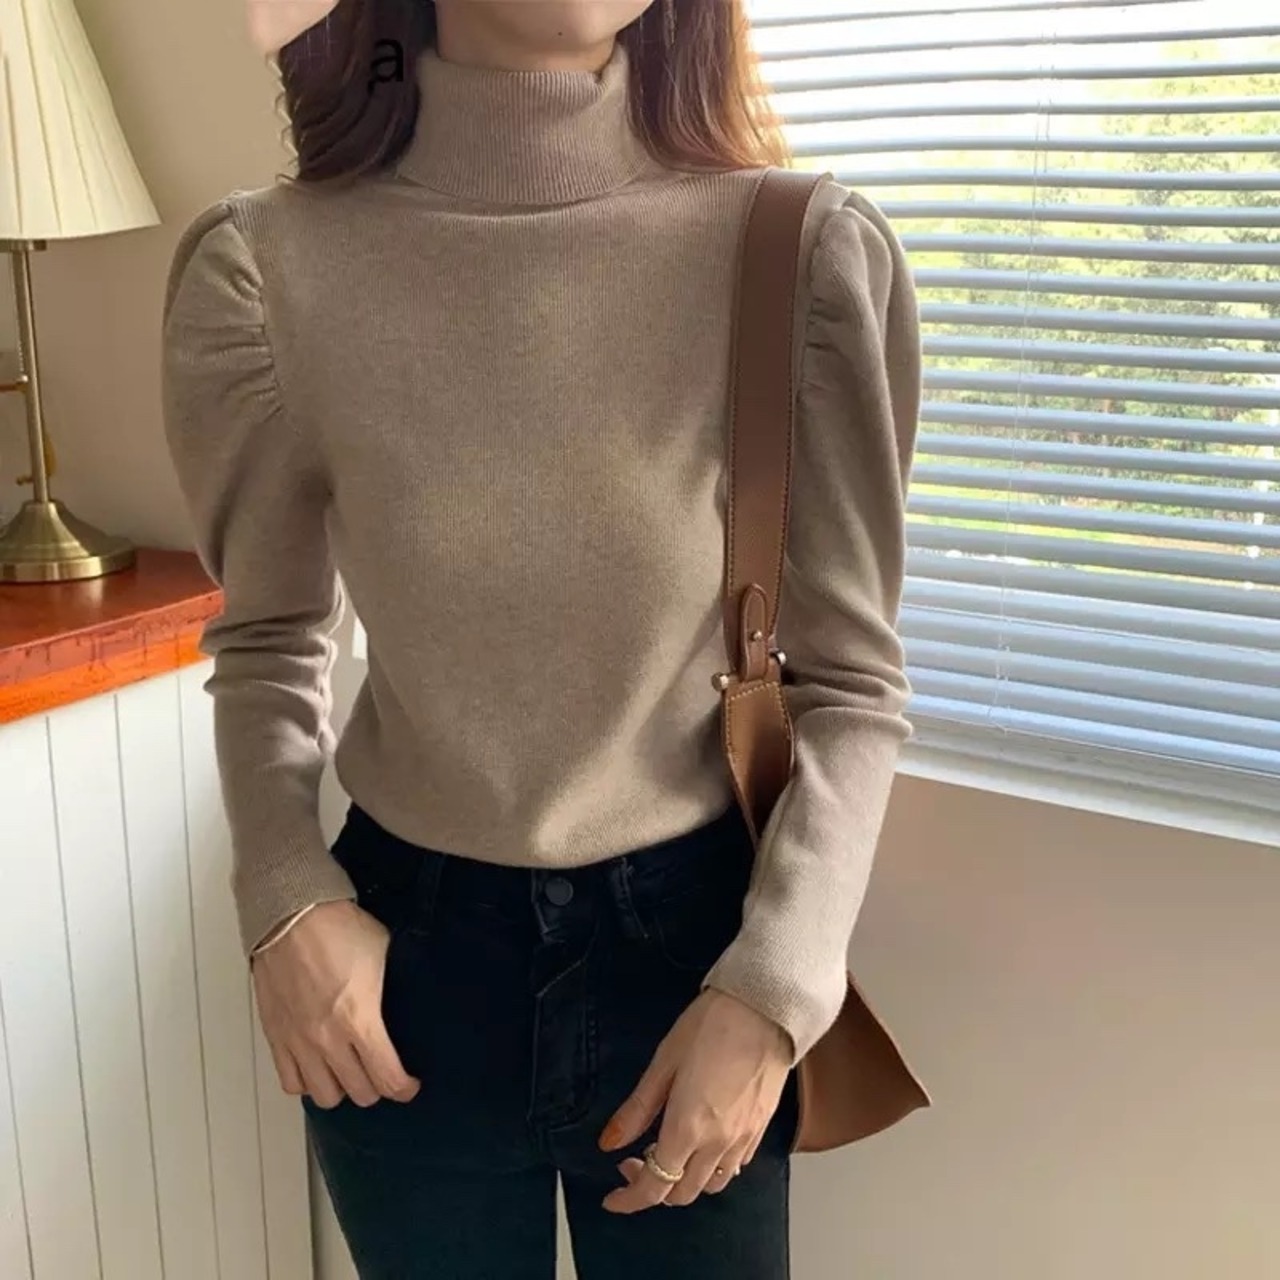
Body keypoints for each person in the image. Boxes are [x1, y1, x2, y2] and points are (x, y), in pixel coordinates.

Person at [160, 1, 921, 1276]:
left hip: (699, 962)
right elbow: (271, 636)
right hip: (402, 975)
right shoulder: (270, 266)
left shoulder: (794, 253)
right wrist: (283, 898)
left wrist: (775, 987)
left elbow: (848, 681)